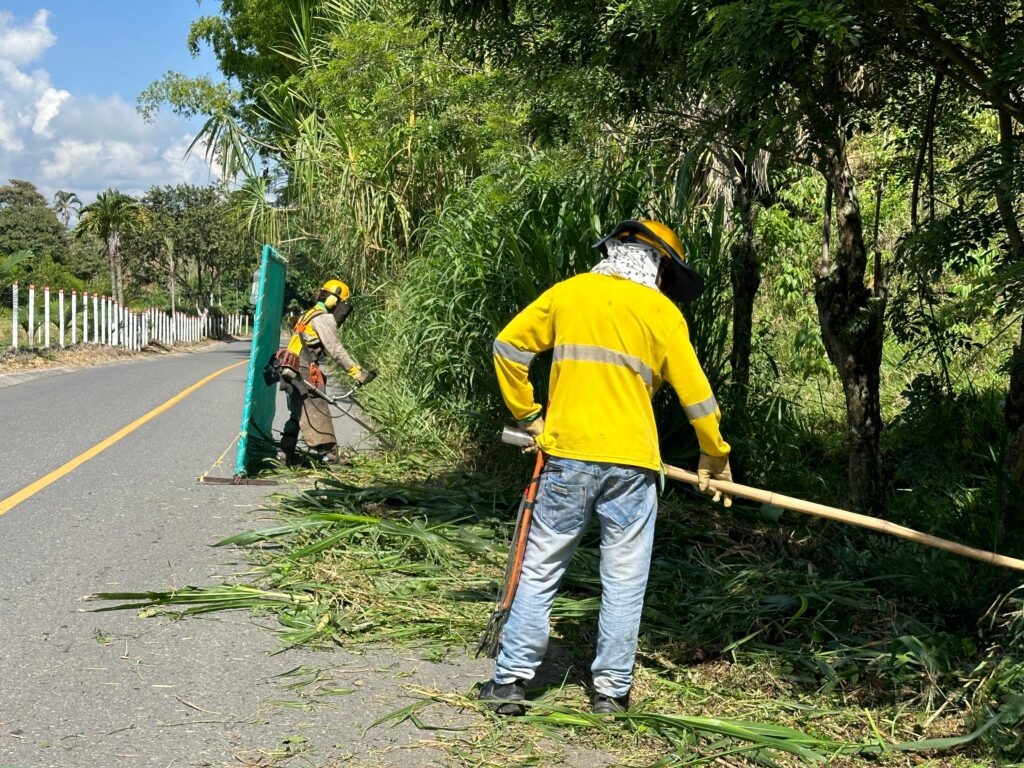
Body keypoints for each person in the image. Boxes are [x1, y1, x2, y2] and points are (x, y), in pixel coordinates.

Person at [480, 219, 733, 715]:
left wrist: (528, 415)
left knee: (541, 567)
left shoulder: (570, 294)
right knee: (624, 577)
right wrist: (714, 455)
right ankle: (611, 693)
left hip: (567, 456)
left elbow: (507, 348)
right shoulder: (661, 313)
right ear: (659, 268)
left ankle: (510, 683)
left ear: (612, 252)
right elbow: (697, 396)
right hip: (633, 465)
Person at [279, 279, 374, 465]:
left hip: (289, 367)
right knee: (318, 409)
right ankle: (330, 457)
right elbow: (335, 349)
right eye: (341, 304)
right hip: (303, 368)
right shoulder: (322, 317)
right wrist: (357, 373)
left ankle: (284, 453)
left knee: (298, 412)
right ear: (333, 300)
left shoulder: (308, 314)